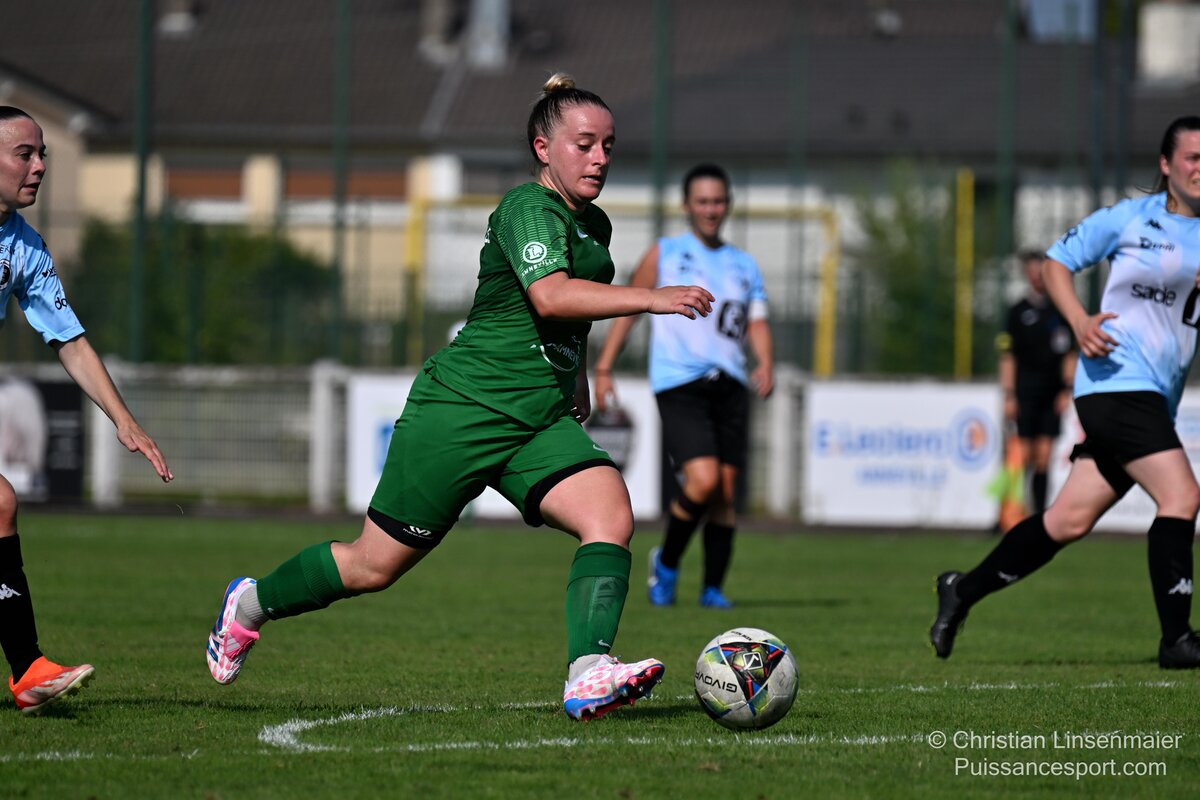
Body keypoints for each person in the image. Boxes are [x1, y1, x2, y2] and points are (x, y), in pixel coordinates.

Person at [204, 74, 715, 720]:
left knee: (609, 513)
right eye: (584, 144)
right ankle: (249, 605)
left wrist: (577, 377)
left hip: (535, 419)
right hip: (463, 409)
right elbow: (550, 296)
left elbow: (572, 314)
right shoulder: (527, 207)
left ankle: (588, 673)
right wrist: (652, 298)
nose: (599, 159)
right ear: (543, 148)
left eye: (608, 146)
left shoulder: (596, 224)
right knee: (372, 566)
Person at [931, 115, 1200, 669]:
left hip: (1154, 395)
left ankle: (962, 590)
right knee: (1182, 498)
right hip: (1114, 382)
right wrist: (1079, 321)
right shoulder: (1131, 218)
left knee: (1067, 521)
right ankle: (1176, 640)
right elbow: (1057, 262)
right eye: (1193, 157)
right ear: (1166, 164)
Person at [0, 106, 173, 713]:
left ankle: (28, 671)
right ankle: (27, 670)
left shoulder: (24, 246)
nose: (40, 166)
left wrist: (124, 421)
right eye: (25, 154)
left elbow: (69, 340)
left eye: (42, 154)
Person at [592, 163, 773, 610]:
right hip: (680, 382)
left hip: (730, 384)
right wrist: (605, 367)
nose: (711, 209)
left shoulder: (744, 264)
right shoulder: (666, 253)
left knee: (725, 493)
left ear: (728, 205)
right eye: (703, 201)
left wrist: (766, 362)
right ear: (687, 206)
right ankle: (667, 562)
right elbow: (631, 307)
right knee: (703, 480)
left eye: (718, 201)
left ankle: (712, 589)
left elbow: (756, 321)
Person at [997, 250, 1076, 516]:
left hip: (1051, 393)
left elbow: (1070, 354)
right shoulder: (1017, 312)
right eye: (1032, 272)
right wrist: (1009, 395)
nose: (1037, 277)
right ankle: (1006, 515)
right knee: (1021, 456)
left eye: (1041, 271)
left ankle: (1039, 516)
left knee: (1044, 457)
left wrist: (1066, 390)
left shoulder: (1060, 311)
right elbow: (1008, 356)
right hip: (1024, 393)